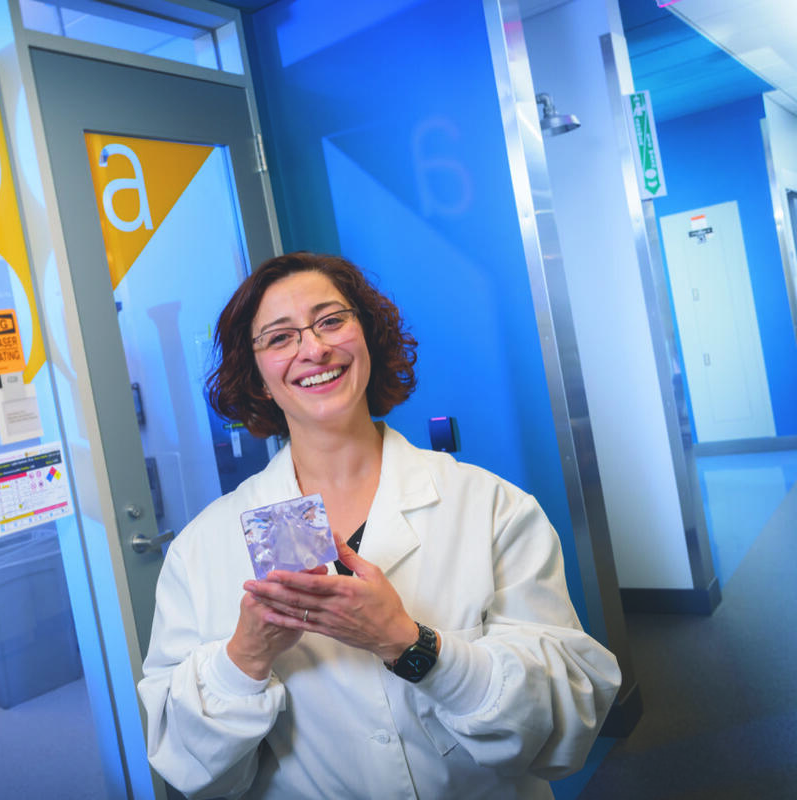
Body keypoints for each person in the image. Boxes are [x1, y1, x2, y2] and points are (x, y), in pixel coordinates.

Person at [137, 252, 621, 799]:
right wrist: (245, 655)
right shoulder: (202, 548)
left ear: (367, 335)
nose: (313, 349)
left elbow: (567, 720)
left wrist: (413, 645)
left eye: (330, 321)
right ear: (259, 379)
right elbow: (187, 764)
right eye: (280, 338)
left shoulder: (490, 506)